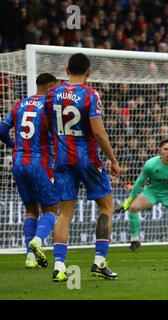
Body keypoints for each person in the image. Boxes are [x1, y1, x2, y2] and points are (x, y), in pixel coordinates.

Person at [45, 53, 121, 282]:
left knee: (64, 213)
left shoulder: (52, 93)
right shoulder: (90, 95)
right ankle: (99, 261)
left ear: (67, 70)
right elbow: (98, 132)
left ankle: (59, 267)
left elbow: (48, 124)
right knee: (107, 207)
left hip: (62, 160)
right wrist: (113, 159)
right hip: (87, 160)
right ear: (88, 71)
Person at [0, 73, 58, 269]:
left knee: (31, 210)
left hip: (18, 163)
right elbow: (54, 135)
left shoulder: (19, 105)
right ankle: (38, 240)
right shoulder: (49, 107)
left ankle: (30, 258)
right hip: (40, 163)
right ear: (50, 86)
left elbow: (1, 130)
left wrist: (14, 145)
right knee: (51, 210)